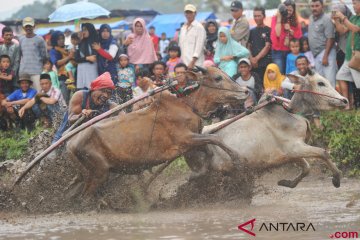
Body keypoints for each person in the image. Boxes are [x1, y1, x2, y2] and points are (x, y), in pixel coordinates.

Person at [52, 72, 116, 143]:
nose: (106, 95)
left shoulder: (111, 106)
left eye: (109, 93)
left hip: (90, 140)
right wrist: (81, 115)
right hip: (66, 134)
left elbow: (123, 117)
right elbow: (70, 119)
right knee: (53, 154)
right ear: (94, 89)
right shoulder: (80, 96)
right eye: (103, 91)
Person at [333, 0, 360, 109]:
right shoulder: (353, 18)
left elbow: (356, 29)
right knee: (340, 76)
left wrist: (343, 17)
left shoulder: (354, 19)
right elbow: (342, 31)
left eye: (356, 3)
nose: (353, 6)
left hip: (357, 57)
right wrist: (337, 20)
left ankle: (357, 107)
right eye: (352, 4)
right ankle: (347, 105)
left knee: (358, 84)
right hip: (349, 56)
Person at [309, 0, 337, 87]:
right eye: (312, 6)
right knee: (320, 82)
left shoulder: (326, 19)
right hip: (316, 55)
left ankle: (332, 101)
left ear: (322, 6)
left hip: (326, 53)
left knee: (329, 82)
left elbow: (331, 38)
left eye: (317, 6)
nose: (314, 8)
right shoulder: (311, 18)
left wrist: (325, 56)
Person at [270, 1, 302, 74]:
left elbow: (298, 38)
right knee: (280, 74)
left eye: (290, 10)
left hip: (291, 52)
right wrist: (279, 19)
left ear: (293, 11)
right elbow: (277, 34)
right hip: (277, 51)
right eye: (286, 10)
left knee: (292, 73)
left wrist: (292, 33)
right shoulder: (275, 18)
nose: (288, 12)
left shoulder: (295, 21)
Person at [19, 17, 48, 92]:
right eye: (26, 26)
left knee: (38, 93)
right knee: (26, 95)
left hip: (37, 72)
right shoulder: (21, 39)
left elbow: (44, 56)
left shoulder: (40, 39)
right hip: (24, 72)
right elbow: (20, 55)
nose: (28, 28)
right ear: (23, 27)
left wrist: (42, 67)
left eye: (30, 26)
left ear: (34, 26)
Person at [247, 6, 272, 80]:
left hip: (265, 63)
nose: (257, 18)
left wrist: (256, 59)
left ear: (264, 16)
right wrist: (251, 59)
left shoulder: (268, 30)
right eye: (255, 16)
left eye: (259, 16)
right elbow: (248, 46)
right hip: (253, 65)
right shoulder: (251, 31)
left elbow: (267, 46)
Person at [179, 4, 206, 68]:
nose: (188, 15)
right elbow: (181, 45)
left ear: (195, 13)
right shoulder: (183, 28)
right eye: (187, 12)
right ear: (184, 14)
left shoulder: (199, 27)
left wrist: (192, 62)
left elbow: (199, 46)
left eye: (190, 12)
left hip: (195, 64)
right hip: (184, 63)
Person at [49, 31, 73, 104]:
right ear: (54, 40)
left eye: (63, 38)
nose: (62, 40)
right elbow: (57, 63)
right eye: (59, 39)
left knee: (73, 98)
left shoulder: (67, 48)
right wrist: (69, 57)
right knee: (65, 99)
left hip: (72, 76)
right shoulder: (53, 51)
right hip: (62, 78)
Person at [75, 23, 99, 90]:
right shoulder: (81, 43)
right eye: (82, 30)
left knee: (92, 89)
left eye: (85, 30)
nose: (83, 32)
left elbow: (93, 58)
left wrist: (84, 59)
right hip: (81, 70)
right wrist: (87, 58)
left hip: (91, 69)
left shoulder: (95, 41)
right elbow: (76, 59)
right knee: (82, 92)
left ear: (90, 30)